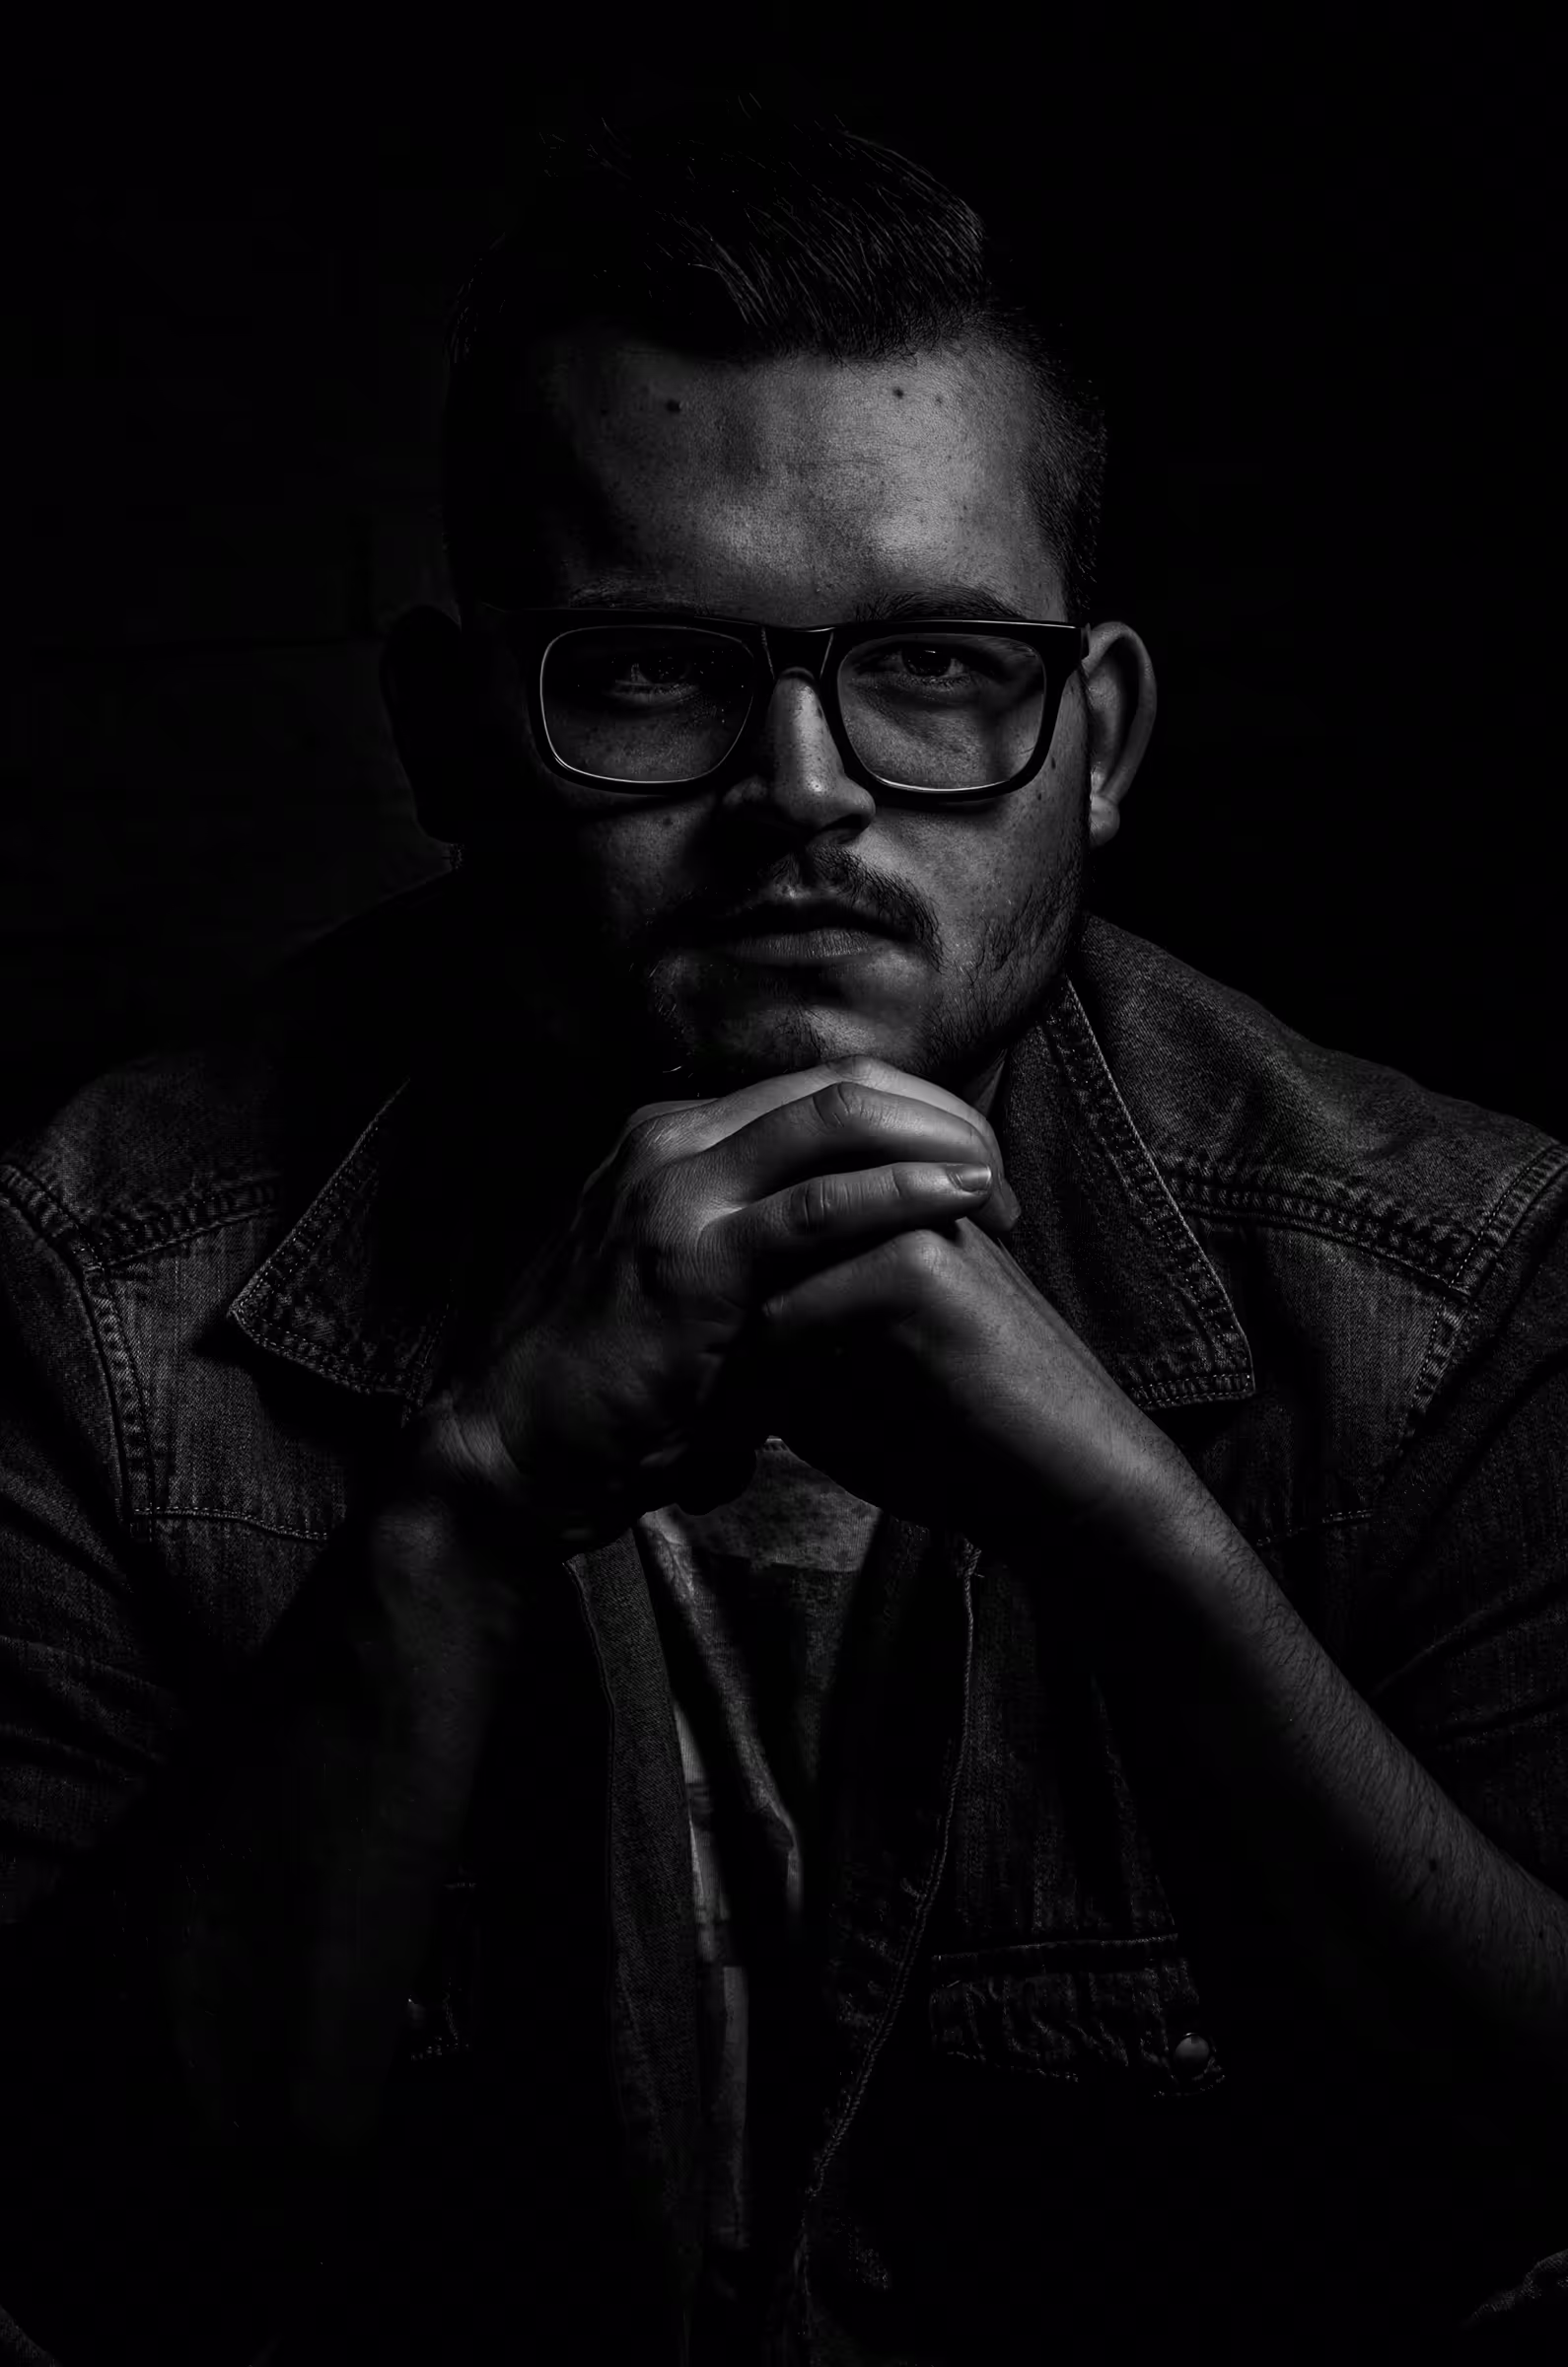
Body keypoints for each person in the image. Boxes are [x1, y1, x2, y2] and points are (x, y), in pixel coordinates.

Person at [1, 94, 1564, 2367]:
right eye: (652, 670)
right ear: (453, 736)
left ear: (1101, 740)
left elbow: (1527, 2183)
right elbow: (77, 2240)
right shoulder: (92, 1287)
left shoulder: (1445, 1275)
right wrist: (457, 1515)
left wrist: (1137, 1527)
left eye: (936, 665)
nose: (806, 800)